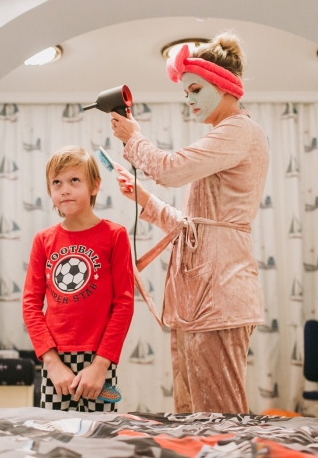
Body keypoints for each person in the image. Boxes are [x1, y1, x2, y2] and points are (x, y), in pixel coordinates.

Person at [110, 33, 269, 414]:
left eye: (196, 89)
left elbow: (171, 169)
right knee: (191, 409)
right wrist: (143, 199)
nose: (190, 100)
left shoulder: (239, 131)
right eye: (186, 94)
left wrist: (135, 140)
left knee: (217, 413)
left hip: (218, 293)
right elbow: (191, 225)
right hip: (200, 296)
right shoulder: (222, 138)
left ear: (225, 85)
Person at [22, 145, 134, 412]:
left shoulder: (114, 236)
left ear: (94, 186)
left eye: (75, 180)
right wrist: (51, 363)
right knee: (55, 440)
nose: (65, 189)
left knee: (100, 439)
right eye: (57, 183)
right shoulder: (43, 240)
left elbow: (124, 305)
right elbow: (30, 305)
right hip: (55, 361)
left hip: (99, 361)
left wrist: (100, 365)